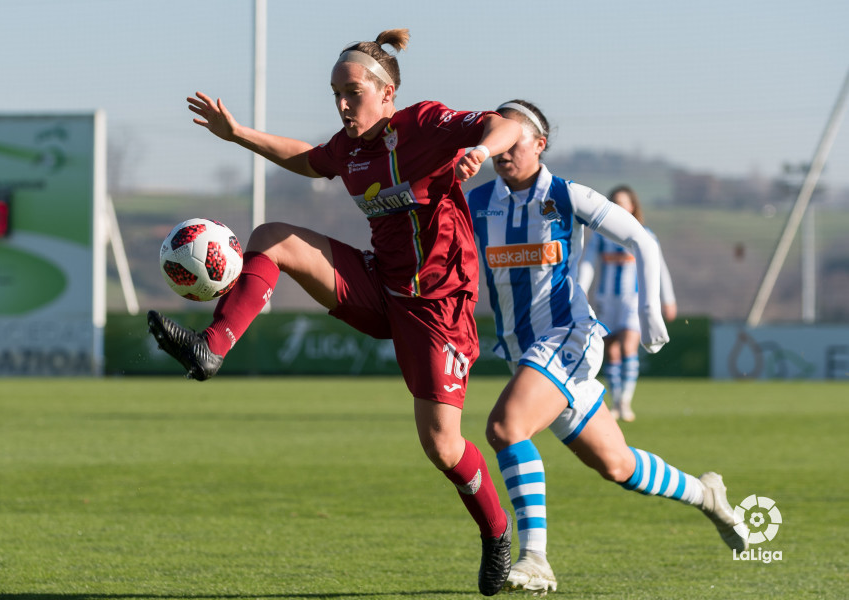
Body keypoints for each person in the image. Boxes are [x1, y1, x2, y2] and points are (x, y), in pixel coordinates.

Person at [146, 29, 523, 596]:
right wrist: (238, 133)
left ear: (387, 93)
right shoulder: (349, 150)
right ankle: (212, 348)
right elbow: (308, 159)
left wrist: (482, 151)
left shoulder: (421, 125)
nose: (343, 104)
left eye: (353, 92)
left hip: (438, 308)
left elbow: (510, 124)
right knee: (272, 236)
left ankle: (496, 534)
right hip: (379, 284)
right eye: (335, 95)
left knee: (443, 446)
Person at [466, 100, 747, 595]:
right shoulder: (478, 202)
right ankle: (708, 494)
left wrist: (649, 311)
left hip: (568, 337)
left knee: (506, 428)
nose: (501, 148)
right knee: (618, 465)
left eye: (513, 137)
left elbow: (642, 239)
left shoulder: (565, 194)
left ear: (539, 144)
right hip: (524, 354)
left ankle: (535, 558)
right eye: (494, 137)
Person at [578, 185, 677, 421]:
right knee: (611, 350)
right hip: (606, 299)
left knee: (628, 346)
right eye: (615, 202)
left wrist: (668, 299)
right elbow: (588, 263)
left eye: (624, 203)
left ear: (632, 206)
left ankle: (626, 402)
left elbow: (660, 268)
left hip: (633, 300)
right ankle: (616, 400)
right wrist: (581, 290)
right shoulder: (600, 236)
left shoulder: (644, 234)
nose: (620, 207)